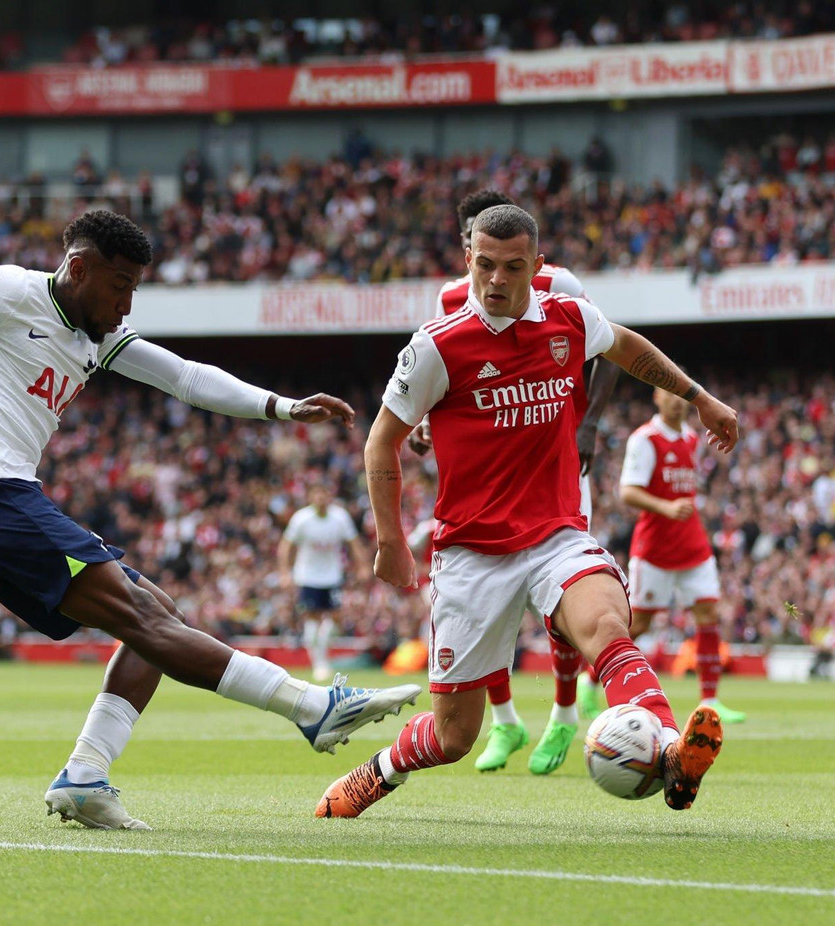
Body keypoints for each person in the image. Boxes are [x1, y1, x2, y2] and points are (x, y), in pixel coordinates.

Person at [0, 209, 421, 831]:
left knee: (153, 612)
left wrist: (281, 408)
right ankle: (309, 706)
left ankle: (85, 775)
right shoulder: (6, 291)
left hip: (5, 501)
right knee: (145, 619)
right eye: (119, 287)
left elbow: (187, 378)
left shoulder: (95, 335)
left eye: (134, 289)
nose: (127, 305)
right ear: (78, 270)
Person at [316, 204, 737, 819]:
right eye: (484, 265)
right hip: (471, 552)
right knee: (454, 737)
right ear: (468, 261)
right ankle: (376, 772)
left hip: (555, 534)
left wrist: (697, 397)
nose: (496, 280)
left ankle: (672, 752)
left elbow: (625, 347)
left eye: (513, 267)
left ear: (536, 267)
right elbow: (381, 439)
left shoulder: (568, 318)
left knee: (607, 629)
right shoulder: (436, 348)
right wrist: (390, 540)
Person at [411, 188, 622, 776]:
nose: (477, 255)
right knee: (486, 598)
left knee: (564, 589)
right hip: (487, 474)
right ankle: (505, 722)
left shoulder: (564, 287)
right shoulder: (452, 297)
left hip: (555, 459)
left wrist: (590, 421)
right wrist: (426, 426)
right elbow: (441, 375)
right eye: (469, 241)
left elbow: (606, 349)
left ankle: (562, 712)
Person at [619, 387, 745, 724]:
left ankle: (710, 701)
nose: (676, 399)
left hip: (692, 542)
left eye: (681, 394)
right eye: (668, 393)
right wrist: (666, 506)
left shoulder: (691, 437)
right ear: (656, 398)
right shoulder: (645, 439)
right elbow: (628, 491)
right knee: (639, 622)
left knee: (707, 612)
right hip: (655, 547)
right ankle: (591, 680)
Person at [278, 484, 367, 682]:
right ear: (310, 496)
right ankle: (319, 663)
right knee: (311, 619)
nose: (320, 497)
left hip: (332, 576)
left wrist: (362, 566)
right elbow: (286, 546)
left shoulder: (340, 517)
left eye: (324, 493)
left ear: (329, 496)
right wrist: (285, 572)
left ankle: (322, 658)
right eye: (316, 493)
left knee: (336, 618)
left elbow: (353, 543)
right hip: (307, 576)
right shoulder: (301, 519)